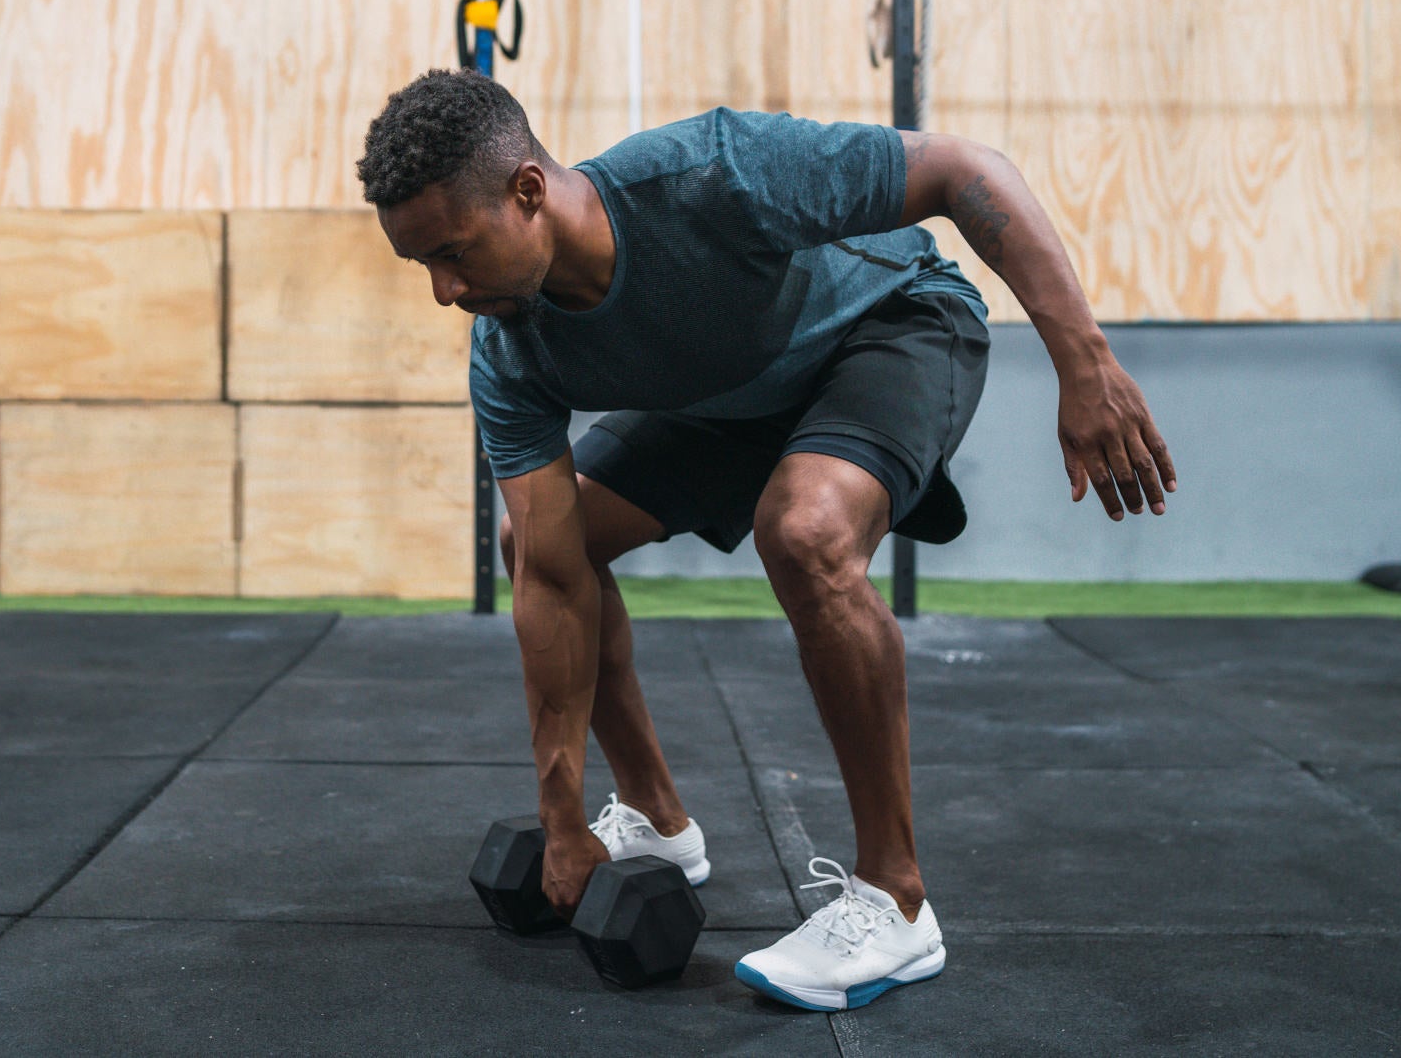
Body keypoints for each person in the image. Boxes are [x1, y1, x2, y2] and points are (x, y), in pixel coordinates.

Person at [357, 68, 1175, 1012]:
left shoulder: (713, 175)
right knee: (543, 539)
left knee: (807, 531)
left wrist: (1086, 364)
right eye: (422, 266)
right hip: (732, 400)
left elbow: (965, 170)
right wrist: (563, 816)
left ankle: (896, 904)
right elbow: (549, 573)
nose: (444, 291)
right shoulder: (511, 347)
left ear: (528, 193)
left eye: (453, 253)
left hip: (889, 326)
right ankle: (659, 824)